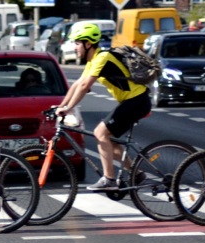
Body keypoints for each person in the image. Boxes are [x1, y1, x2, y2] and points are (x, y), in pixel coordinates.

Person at [55, 21, 151, 191]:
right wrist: (60, 106)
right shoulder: (93, 61)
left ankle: (109, 179)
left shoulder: (102, 57)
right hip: (132, 101)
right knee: (110, 140)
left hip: (136, 101)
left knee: (100, 133)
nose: (75, 48)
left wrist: (68, 109)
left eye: (77, 43)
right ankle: (137, 174)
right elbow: (78, 84)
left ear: (88, 43)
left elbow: (85, 87)